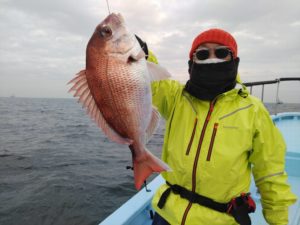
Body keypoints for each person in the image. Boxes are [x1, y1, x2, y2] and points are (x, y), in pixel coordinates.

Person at [143, 29, 297, 225]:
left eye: (222, 53)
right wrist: (143, 52)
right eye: (203, 54)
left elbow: (270, 174)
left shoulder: (253, 110)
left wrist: (279, 221)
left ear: (234, 60)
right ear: (192, 62)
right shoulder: (175, 97)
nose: (212, 59)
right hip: (167, 214)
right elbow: (152, 79)